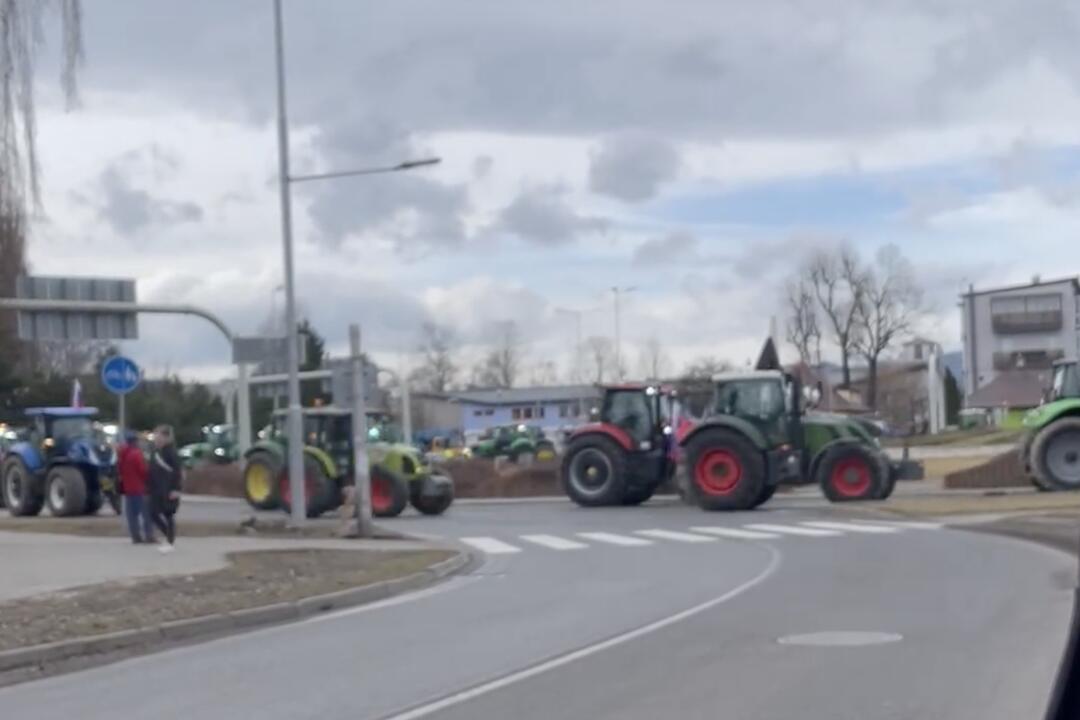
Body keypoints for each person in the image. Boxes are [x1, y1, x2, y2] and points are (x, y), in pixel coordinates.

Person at [148, 425, 182, 553]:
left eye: (159, 436)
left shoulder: (171, 452)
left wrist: (176, 489)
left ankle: (170, 541)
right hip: (156, 488)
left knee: (168, 514)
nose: (156, 439)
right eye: (155, 436)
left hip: (168, 488)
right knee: (153, 513)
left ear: (166, 437)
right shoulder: (156, 451)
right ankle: (167, 535)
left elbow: (178, 471)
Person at [117, 430, 151, 544]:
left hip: (128, 488)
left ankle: (135, 536)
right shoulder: (136, 454)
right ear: (135, 441)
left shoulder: (122, 454)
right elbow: (143, 471)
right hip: (139, 488)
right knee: (146, 513)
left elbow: (120, 470)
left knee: (132, 515)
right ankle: (148, 535)